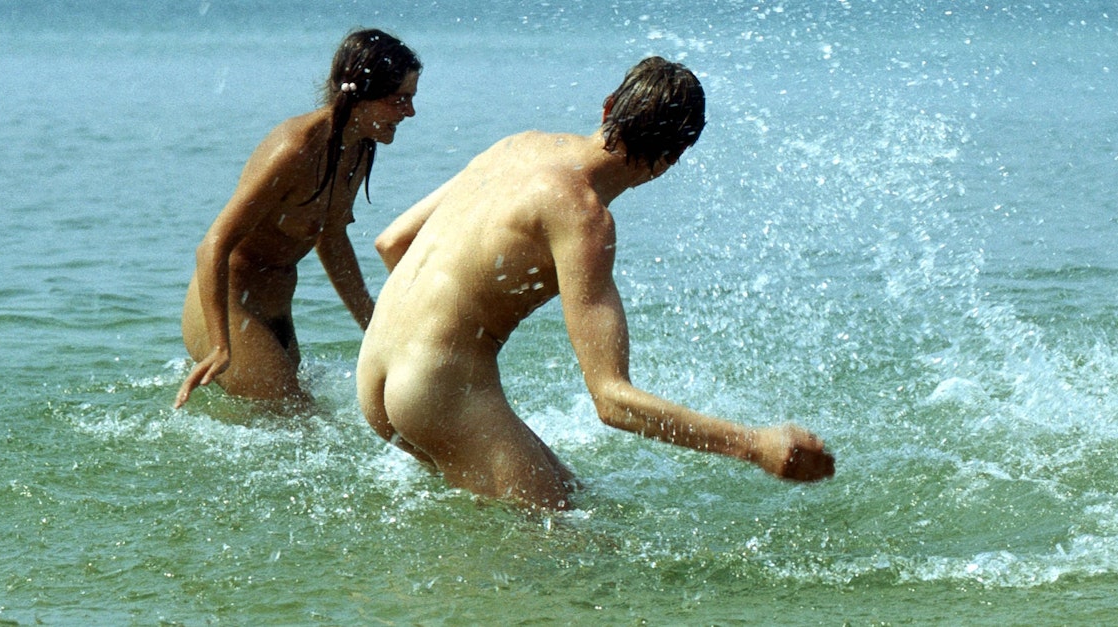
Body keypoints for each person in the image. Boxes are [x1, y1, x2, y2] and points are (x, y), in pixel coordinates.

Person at [357, 57, 835, 510]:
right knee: (575, 554)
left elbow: (392, 242)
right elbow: (611, 400)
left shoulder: (516, 145)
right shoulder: (586, 220)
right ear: (671, 159)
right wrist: (755, 445)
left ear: (608, 106)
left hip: (375, 370)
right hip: (436, 393)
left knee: (577, 502)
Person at [174, 28, 421, 409]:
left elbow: (332, 239)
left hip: (276, 309)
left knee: (299, 421)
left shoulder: (358, 147)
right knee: (298, 420)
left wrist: (373, 326)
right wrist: (222, 345)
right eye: (399, 99)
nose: (410, 112)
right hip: (230, 306)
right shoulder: (294, 148)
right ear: (362, 94)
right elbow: (212, 246)